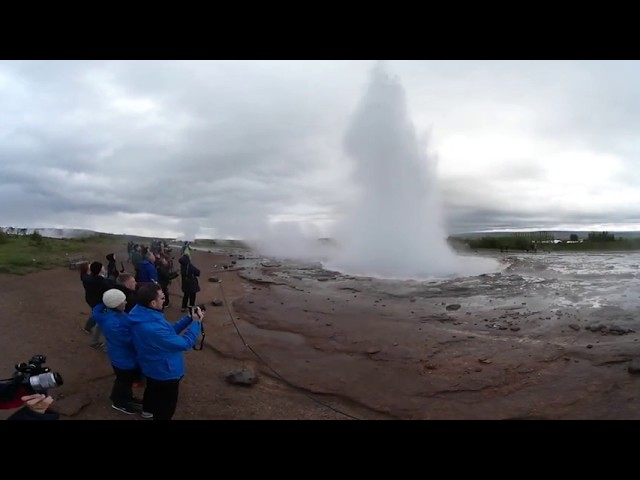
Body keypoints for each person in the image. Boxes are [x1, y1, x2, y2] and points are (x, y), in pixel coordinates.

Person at [128, 283, 204, 420]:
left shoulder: (142, 314)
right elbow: (185, 343)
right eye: (162, 298)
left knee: (152, 390)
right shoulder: (152, 327)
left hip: (151, 366)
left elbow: (169, 331)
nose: (165, 300)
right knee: (167, 406)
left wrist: (188, 319)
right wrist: (196, 323)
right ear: (152, 303)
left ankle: (147, 410)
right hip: (165, 372)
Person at [92, 289, 144, 415]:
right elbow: (128, 340)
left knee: (125, 380)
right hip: (123, 358)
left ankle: (126, 397)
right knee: (123, 380)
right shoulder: (114, 323)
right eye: (122, 301)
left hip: (121, 355)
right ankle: (118, 402)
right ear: (116, 304)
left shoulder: (109, 315)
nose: (125, 302)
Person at [81, 261, 113, 348]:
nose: (104, 268)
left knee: (96, 315)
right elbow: (110, 288)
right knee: (102, 322)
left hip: (91, 300)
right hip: (100, 302)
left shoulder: (86, 278)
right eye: (102, 267)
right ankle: (96, 342)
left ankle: (88, 328)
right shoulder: (100, 281)